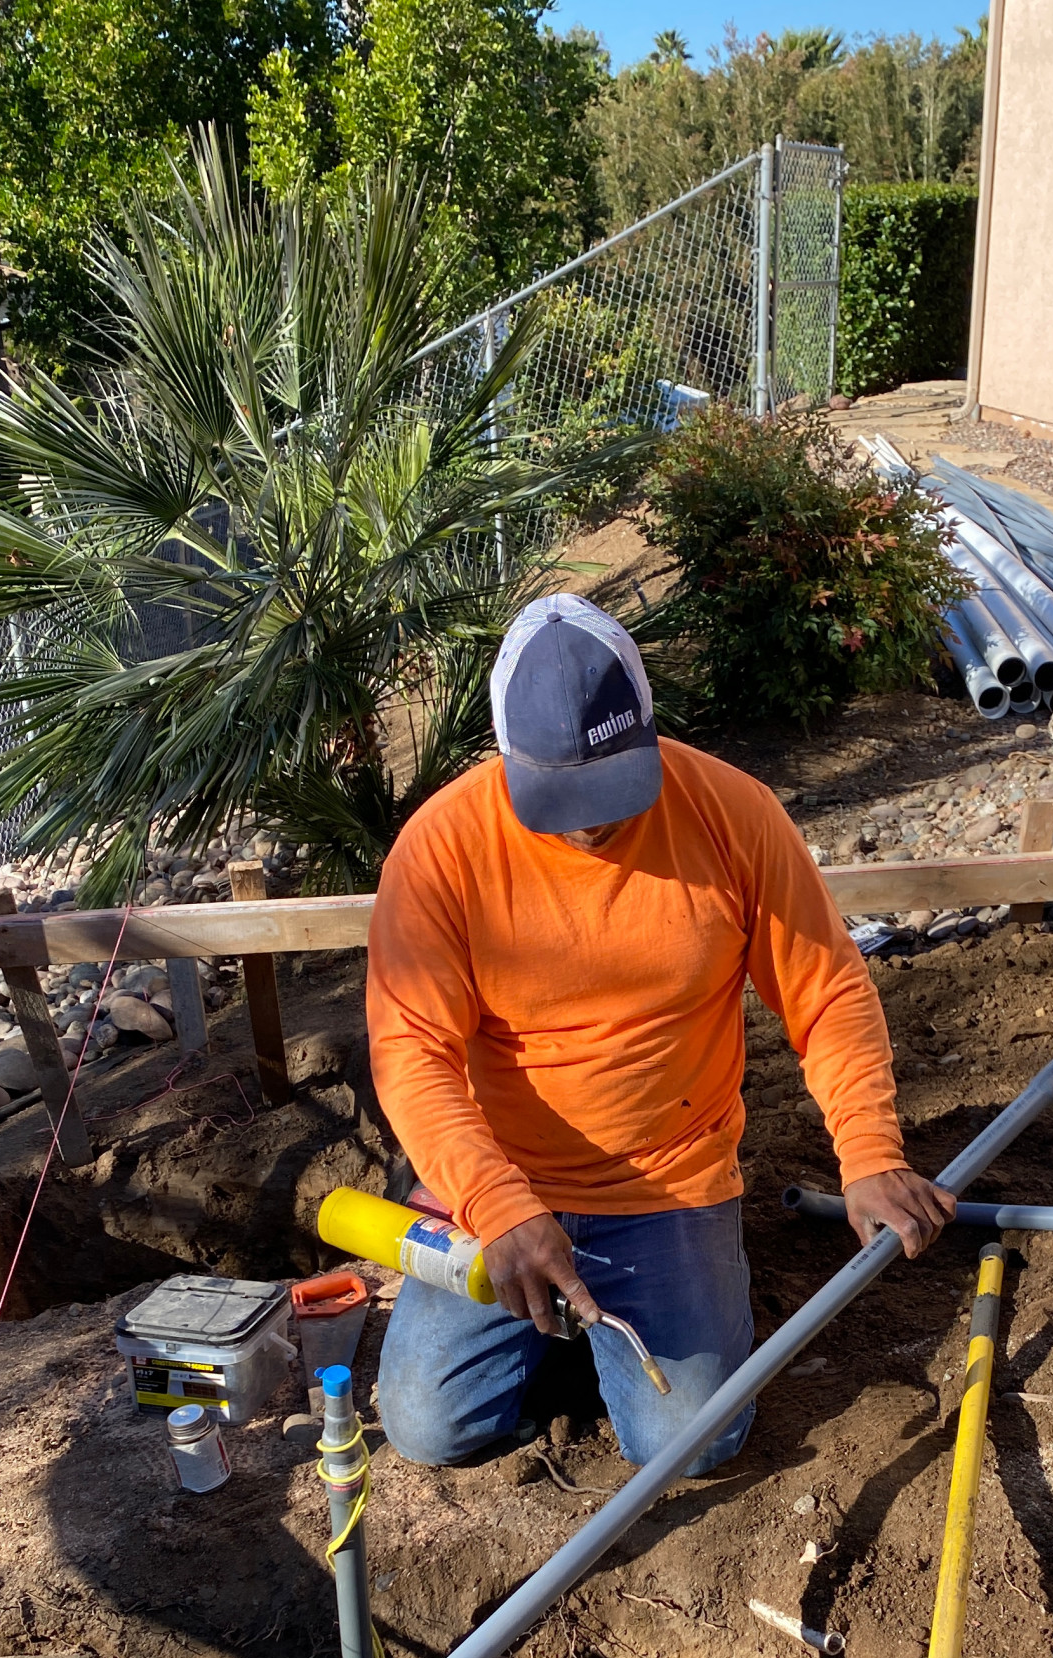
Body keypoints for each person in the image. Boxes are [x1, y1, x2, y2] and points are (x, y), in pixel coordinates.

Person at [365, 593, 956, 1474]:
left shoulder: (731, 813)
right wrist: (496, 1204)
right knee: (428, 1427)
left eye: (609, 791)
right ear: (504, 753)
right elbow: (411, 1053)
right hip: (501, 1184)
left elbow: (826, 988)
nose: (590, 823)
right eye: (558, 799)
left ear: (646, 727)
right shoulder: (442, 849)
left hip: (666, 1182)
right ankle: (572, 1334)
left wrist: (869, 1153)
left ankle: (641, 1316)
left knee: (690, 1442)